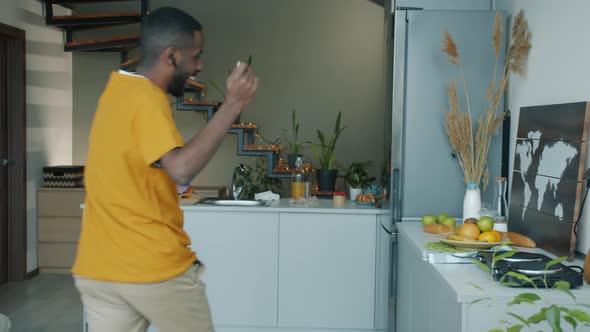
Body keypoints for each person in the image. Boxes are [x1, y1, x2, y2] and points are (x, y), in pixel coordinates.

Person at [71, 7, 258, 332]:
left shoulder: (115, 90)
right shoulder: (145, 98)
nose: (199, 66)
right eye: (196, 56)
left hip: (98, 269)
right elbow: (181, 169)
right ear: (171, 56)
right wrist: (232, 105)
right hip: (150, 267)